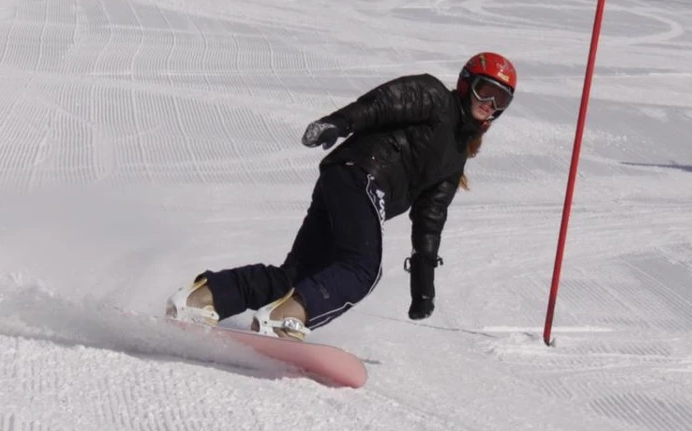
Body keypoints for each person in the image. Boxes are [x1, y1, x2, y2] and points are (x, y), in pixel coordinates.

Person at [168, 53, 518, 339]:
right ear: (465, 83)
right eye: (485, 90)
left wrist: (422, 289)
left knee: (297, 275)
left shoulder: (455, 159)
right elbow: (381, 104)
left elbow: (430, 222)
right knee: (362, 268)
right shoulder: (432, 96)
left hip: (345, 182)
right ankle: (286, 319)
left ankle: (205, 296)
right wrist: (337, 123)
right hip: (363, 175)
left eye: (500, 99)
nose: (490, 104)